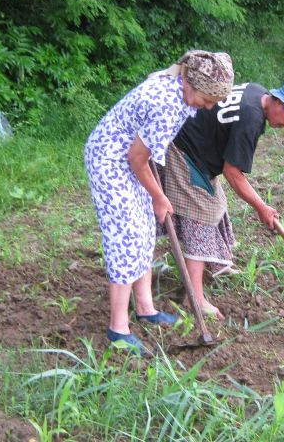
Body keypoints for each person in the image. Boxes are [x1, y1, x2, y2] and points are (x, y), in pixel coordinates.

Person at [84, 50, 234, 355]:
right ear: (193, 85)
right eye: (208, 99)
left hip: (128, 160)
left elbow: (144, 151)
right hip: (109, 161)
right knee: (126, 236)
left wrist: (154, 195)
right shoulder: (168, 103)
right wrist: (160, 197)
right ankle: (118, 328)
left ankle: (145, 308)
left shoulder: (180, 89)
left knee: (143, 230)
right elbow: (137, 157)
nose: (209, 107)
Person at [159, 80, 284, 319]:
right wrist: (261, 207)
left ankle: (216, 263)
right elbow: (233, 173)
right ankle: (195, 299)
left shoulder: (257, 92)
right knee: (200, 214)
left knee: (217, 204)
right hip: (184, 148)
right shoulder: (251, 119)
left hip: (197, 145)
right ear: (279, 103)